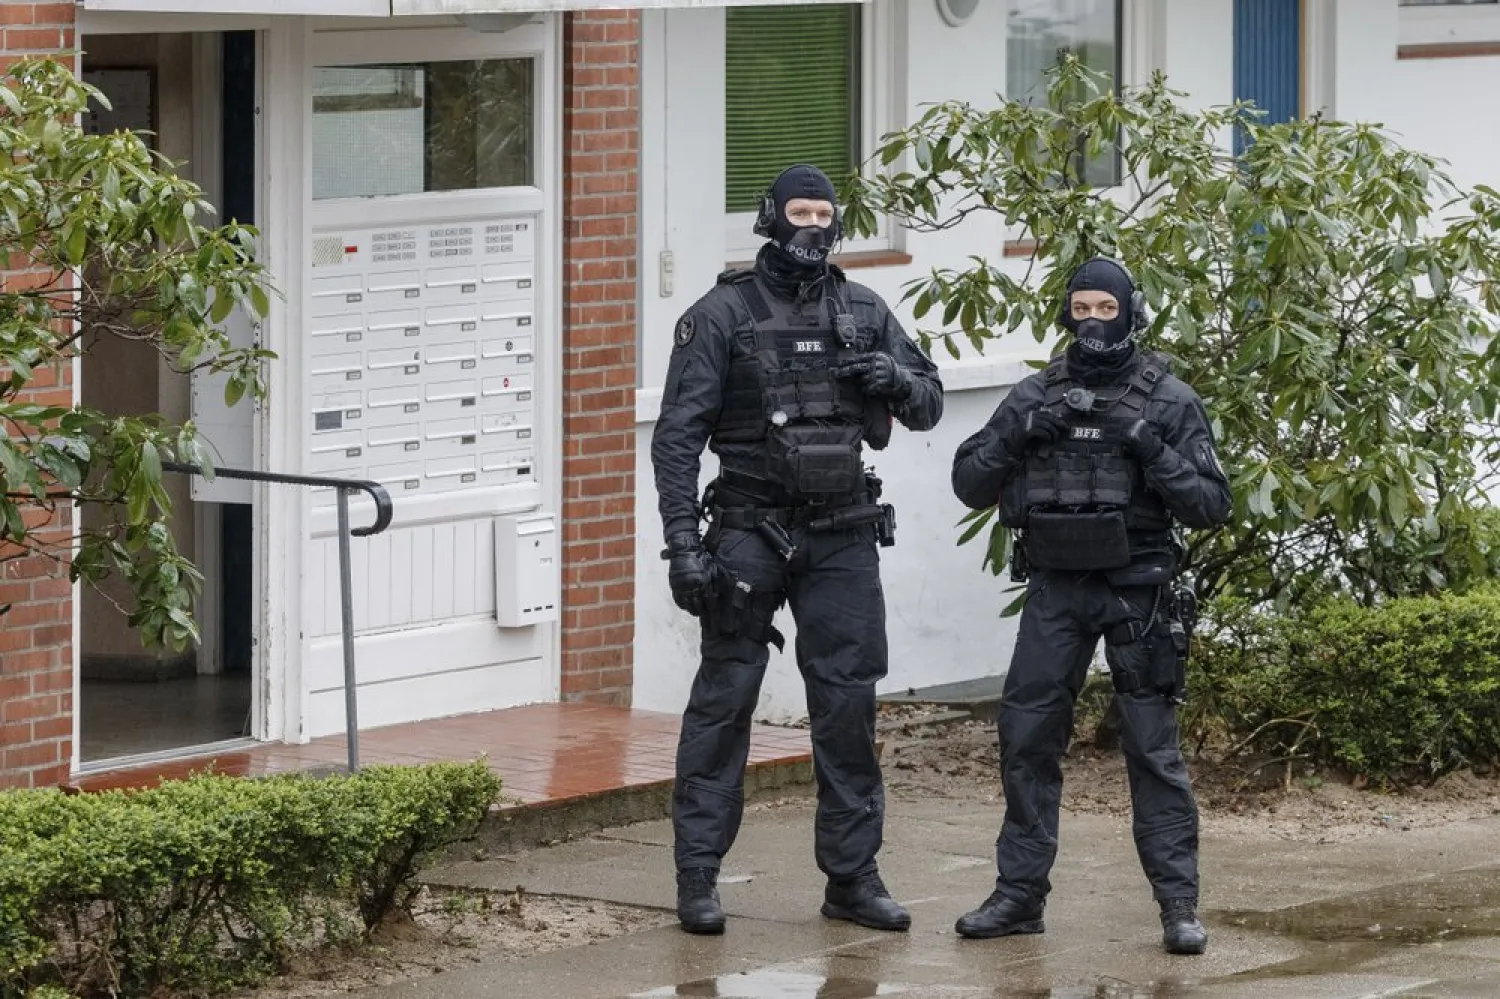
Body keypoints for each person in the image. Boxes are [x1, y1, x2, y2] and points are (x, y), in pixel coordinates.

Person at [651, 164, 944, 935]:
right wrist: (683, 543)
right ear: (770, 218)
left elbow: (930, 400)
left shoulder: (863, 307)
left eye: (823, 212)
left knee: (846, 706)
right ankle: (699, 877)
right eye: (798, 211)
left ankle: (853, 877)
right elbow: (676, 439)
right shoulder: (721, 314)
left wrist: (893, 377)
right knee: (725, 701)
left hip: (843, 533)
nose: (811, 224)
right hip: (748, 531)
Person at [948, 257, 1232, 955]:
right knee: (1027, 738)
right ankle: (1018, 895)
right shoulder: (1034, 394)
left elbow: (1210, 504)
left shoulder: (1169, 399)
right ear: (1067, 314)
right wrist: (1021, 433)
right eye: (1083, 309)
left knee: (1152, 750)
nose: (1094, 322)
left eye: (1108, 309)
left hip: (1137, 591)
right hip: (1056, 590)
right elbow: (968, 480)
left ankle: (1177, 905)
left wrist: (1152, 448)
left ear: (1132, 313)